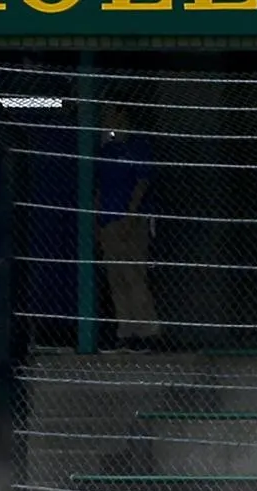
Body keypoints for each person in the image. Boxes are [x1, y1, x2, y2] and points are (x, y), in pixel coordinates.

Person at [95, 102, 161, 353]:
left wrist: (131, 216)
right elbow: (100, 187)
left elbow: (142, 182)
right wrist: (97, 219)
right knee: (116, 278)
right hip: (107, 219)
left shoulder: (138, 145)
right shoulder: (106, 149)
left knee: (134, 275)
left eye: (111, 111)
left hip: (130, 220)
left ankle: (148, 332)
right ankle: (127, 331)